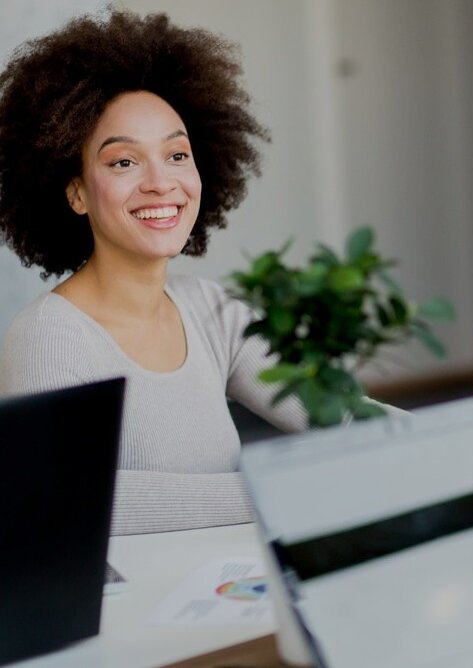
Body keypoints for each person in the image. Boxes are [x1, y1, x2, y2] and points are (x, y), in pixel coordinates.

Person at [0, 11, 305, 535]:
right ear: (75, 192)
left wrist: (449, 445)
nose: (162, 183)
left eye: (177, 154)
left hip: (232, 590)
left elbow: (332, 410)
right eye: (124, 162)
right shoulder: (48, 337)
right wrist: (272, 494)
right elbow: (67, 500)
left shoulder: (212, 310)